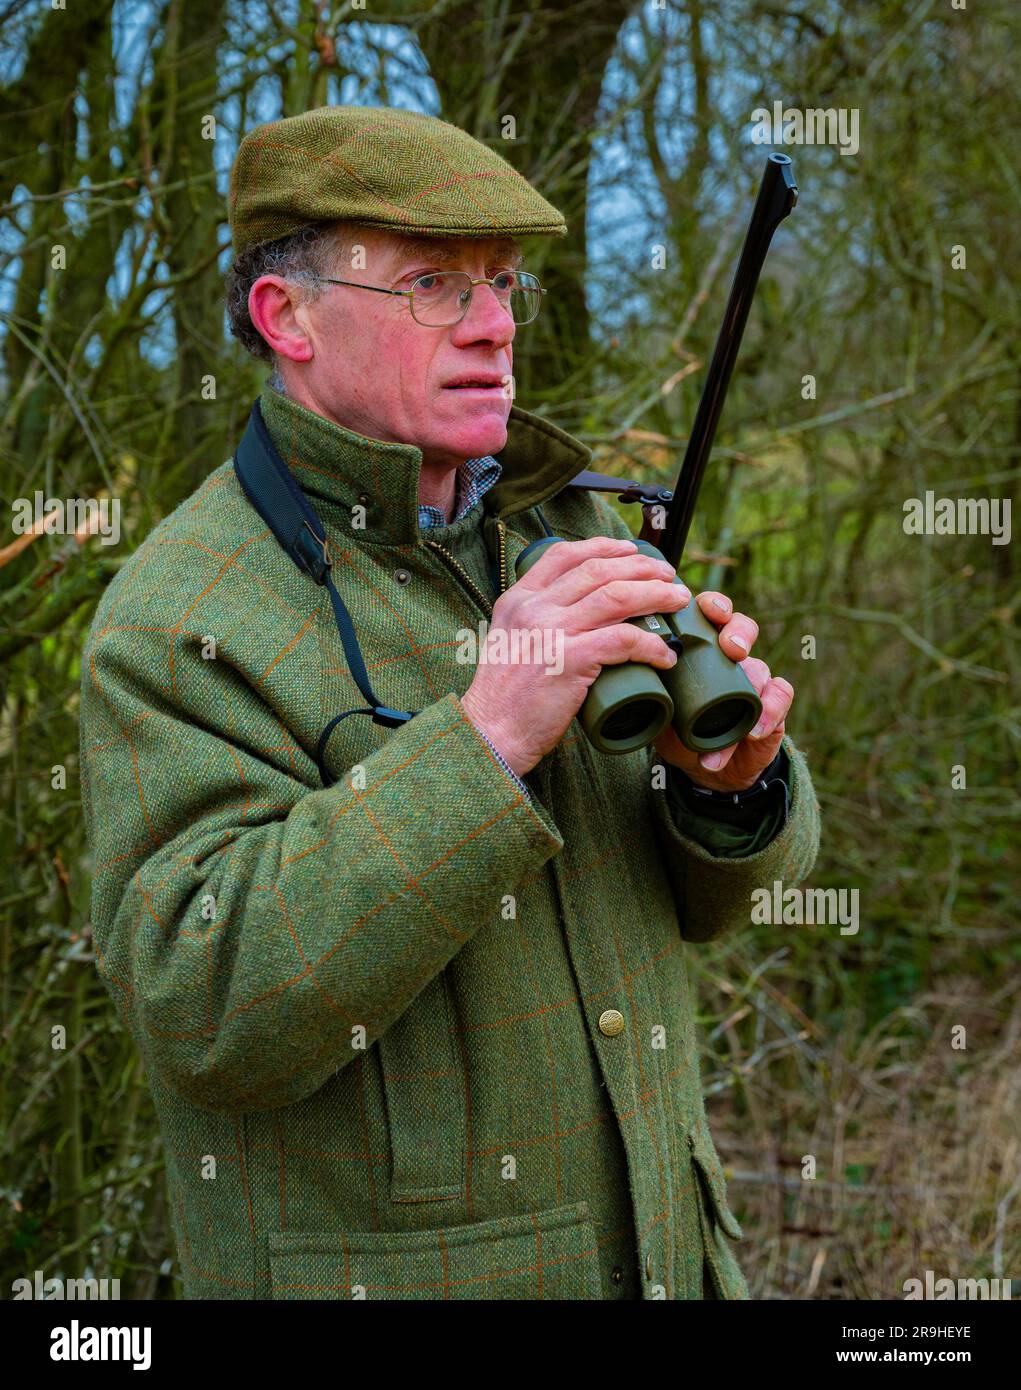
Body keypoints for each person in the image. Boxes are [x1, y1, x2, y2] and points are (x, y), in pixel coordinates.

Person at [79, 104, 820, 1300]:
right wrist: (483, 741)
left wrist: (727, 786)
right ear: (289, 318)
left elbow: (710, 902)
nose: (492, 330)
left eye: (503, 284)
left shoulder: (565, 520)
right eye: (432, 284)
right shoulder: (179, 619)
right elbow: (201, 1003)